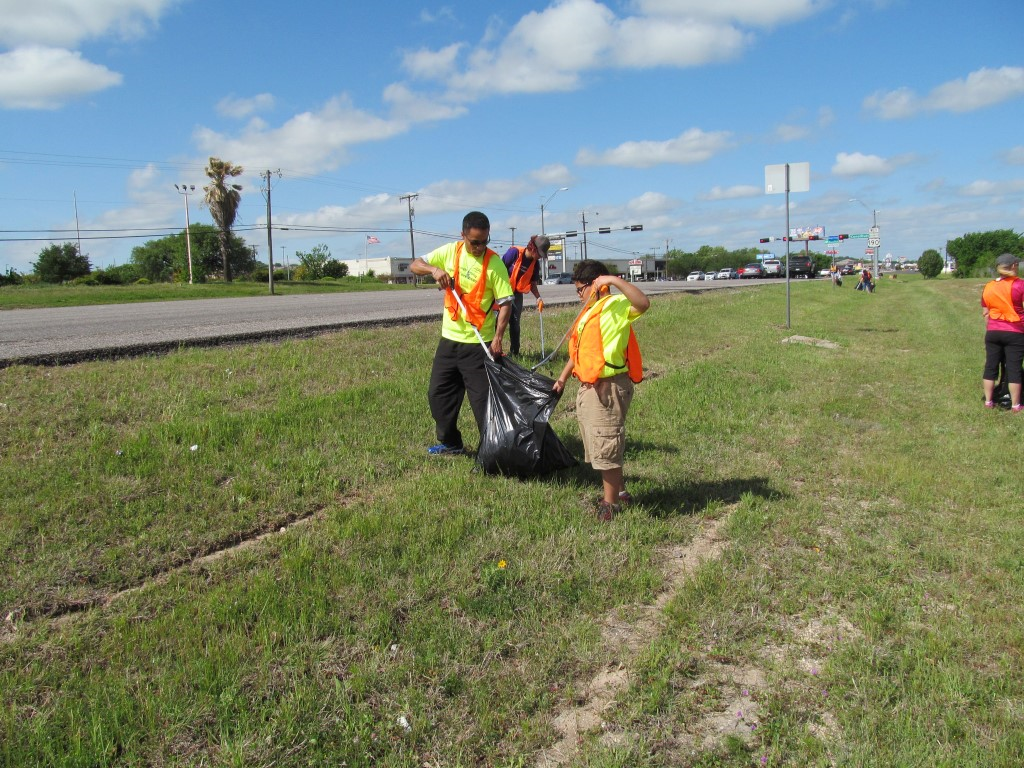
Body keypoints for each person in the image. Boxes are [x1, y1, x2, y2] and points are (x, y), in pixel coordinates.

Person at [410, 211, 514, 455]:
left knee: (482, 404)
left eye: (484, 241)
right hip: (449, 341)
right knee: (438, 395)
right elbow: (416, 265)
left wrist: (498, 338)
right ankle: (451, 443)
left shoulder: (494, 263)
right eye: (475, 242)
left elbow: (506, 302)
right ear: (463, 236)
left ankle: (491, 451)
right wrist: (434, 270)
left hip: (479, 345)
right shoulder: (450, 251)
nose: (479, 247)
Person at [553, 260, 650, 521]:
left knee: (607, 444)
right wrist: (562, 378)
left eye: (580, 288)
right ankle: (619, 492)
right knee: (600, 443)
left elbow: (643, 304)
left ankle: (611, 505)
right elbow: (580, 351)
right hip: (589, 387)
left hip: (608, 387)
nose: (579, 294)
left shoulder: (615, 305)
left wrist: (614, 281)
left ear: (596, 284)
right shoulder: (589, 312)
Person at [981, 253, 1024, 411]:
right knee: (1013, 368)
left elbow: (985, 311)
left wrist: (992, 326)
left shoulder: (989, 285)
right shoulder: (1020, 284)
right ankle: (1015, 405)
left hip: (993, 331)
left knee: (991, 367)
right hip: (1015, 330)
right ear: (1013, 266)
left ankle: (988, 401)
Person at [501, 235, 549, 356]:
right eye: (539, 253)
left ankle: (515, 353)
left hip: (516, 294)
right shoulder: (514, 253)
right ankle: (496, 351)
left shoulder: (535, 264)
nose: (539, 257)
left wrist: (538, 297)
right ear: (533, 248)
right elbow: (498, 269)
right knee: (498, 322)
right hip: (501, 292)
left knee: (515, 323)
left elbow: (532, 284)